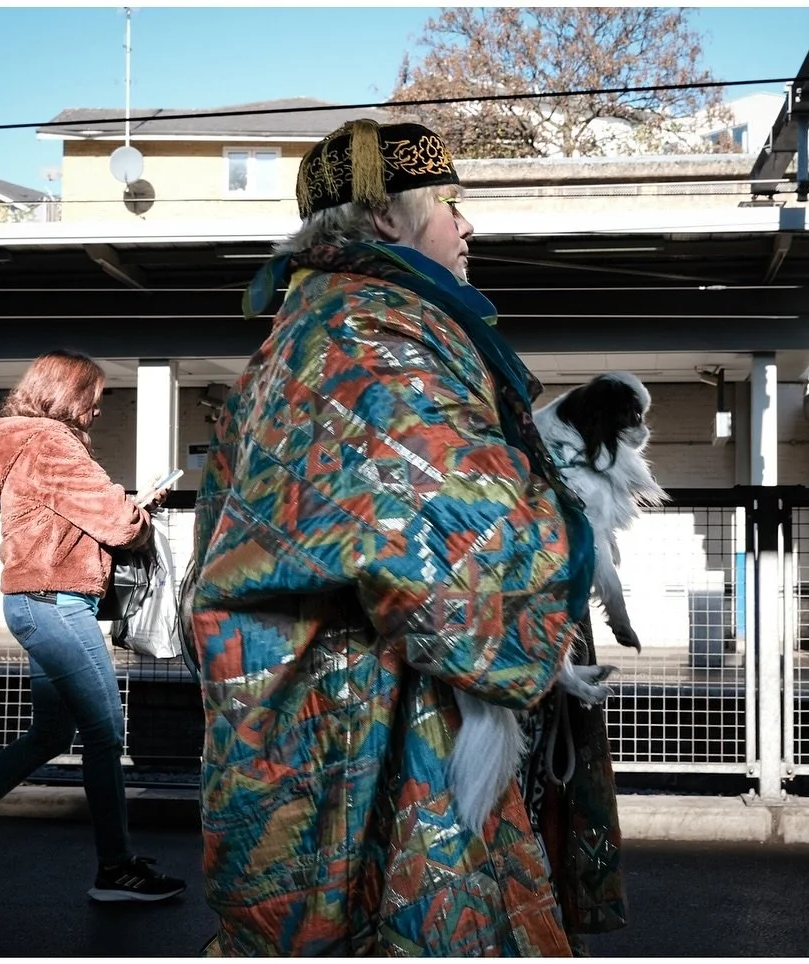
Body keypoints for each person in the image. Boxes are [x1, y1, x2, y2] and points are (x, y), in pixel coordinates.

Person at [188, 119, 627, 955]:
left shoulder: (321, 330)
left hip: (327, 720)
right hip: (378, 734)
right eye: (451, 204)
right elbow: (453, 531)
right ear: (386, 219)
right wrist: (569, 512)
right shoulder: (367, 336)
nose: (469, 227)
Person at [0, 350, 184, 903]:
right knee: (106, 733)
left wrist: (127, 509)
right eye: (94, 399)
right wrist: (141, 515)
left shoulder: (17, 443)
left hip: (37, 601)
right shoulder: (53, 442)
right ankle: (116, 869)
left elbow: (76, 513)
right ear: (67, 395)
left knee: (53, 734)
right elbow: (118, 525)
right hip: (56, 603)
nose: (97, 412)